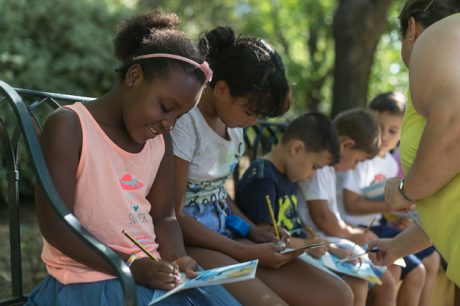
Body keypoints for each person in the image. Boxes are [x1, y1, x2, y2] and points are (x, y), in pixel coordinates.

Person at [26, 10, 240, 306]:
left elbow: (164, 216)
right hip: (85, 281)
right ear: (134, 76)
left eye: (179, 117)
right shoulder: (70, 126)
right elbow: (56, 225)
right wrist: (130, 265)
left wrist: (178, 258)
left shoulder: (160, 141)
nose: (169, 124)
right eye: (166, 107)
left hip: (145, 272)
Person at [172, 26, 354, 306]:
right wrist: (245, 250)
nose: (254, 121)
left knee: (338, 294)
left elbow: (216, 193)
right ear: (221, 89)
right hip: (192, 241)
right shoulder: (186, 122)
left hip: (228, 235)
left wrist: (253, 230)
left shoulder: (233, 125)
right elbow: (175, 215)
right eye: (250, 111)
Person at [367, 0, 460, 288]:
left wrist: (405, 191)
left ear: (411, 28)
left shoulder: (437, 39)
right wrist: (396, 247)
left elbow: (455, 128)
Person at [235, 112, 369, 306]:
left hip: (299, 252)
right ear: (297, 149)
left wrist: (330, 247)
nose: (313, 175)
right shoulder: (263, 179)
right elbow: (265, 237)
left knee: (356, 283)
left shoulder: (289, 175)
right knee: (344, 291)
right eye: (315, 167)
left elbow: (297, 225)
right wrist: (308, 245)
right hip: (275, 260)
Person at [341, 92, 440, 306]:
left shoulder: (390, 165)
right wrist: (391, 205)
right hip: (359, 227)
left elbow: (387, 208)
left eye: (393, 131)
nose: (384, 136)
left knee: (422, 268)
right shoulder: (359, 158)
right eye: (379, 127)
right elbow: (351, 204)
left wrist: (402, 214)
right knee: (395, 269)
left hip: (379, 226)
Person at [298, 108, 402, 306]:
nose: (354, 167)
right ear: (346, 145)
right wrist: (353, 235)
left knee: (392, 270)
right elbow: (322, 218)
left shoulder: (328, 170)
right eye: (357, 161)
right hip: (319, 241)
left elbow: (333, 215)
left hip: (331, 239)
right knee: (376, 282)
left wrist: (356, 231)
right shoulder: (319, 169)